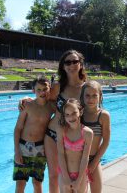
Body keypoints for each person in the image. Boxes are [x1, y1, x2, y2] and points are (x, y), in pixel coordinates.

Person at [19, 50, 87, 193]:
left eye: (75, 61)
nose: (71, 65)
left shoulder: (86, 88)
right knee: (54, 175)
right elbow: (41, 101)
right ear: (63, 66)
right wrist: (27, 99)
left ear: (81, 64)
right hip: (52, 135)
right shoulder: (57, 86)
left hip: (72, 138)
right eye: (67, 62)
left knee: (72, 176)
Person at [13, 76, 55, 193]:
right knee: (20, 184)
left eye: (45, 89)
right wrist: (17, 151)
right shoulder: (27, 106)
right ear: (33, 91)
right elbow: (18, 129)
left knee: (37, 183)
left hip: (40, 149)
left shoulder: (52, 107)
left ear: (49, 89)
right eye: (39, 90)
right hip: (23, 147)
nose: (42, 92)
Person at [56, 98, 93, 193]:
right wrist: (66, 177)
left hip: (80, 174)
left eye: (73, 113)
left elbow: (85, 158)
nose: (70, 117)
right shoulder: (61, 131)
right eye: (67, 115)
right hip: (64, 173)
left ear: (80, 112)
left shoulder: (87, 133)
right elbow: (60, 154)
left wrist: (79, 180)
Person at [80, 81, 111, 193]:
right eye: (87, 95)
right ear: (82, 96)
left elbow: (106, 141)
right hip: (78, 159)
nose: (90, 99)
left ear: (100, 96)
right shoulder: (79, 114)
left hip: (94, 158)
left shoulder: (103, 115)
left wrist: (94, 162)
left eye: (94, 96)